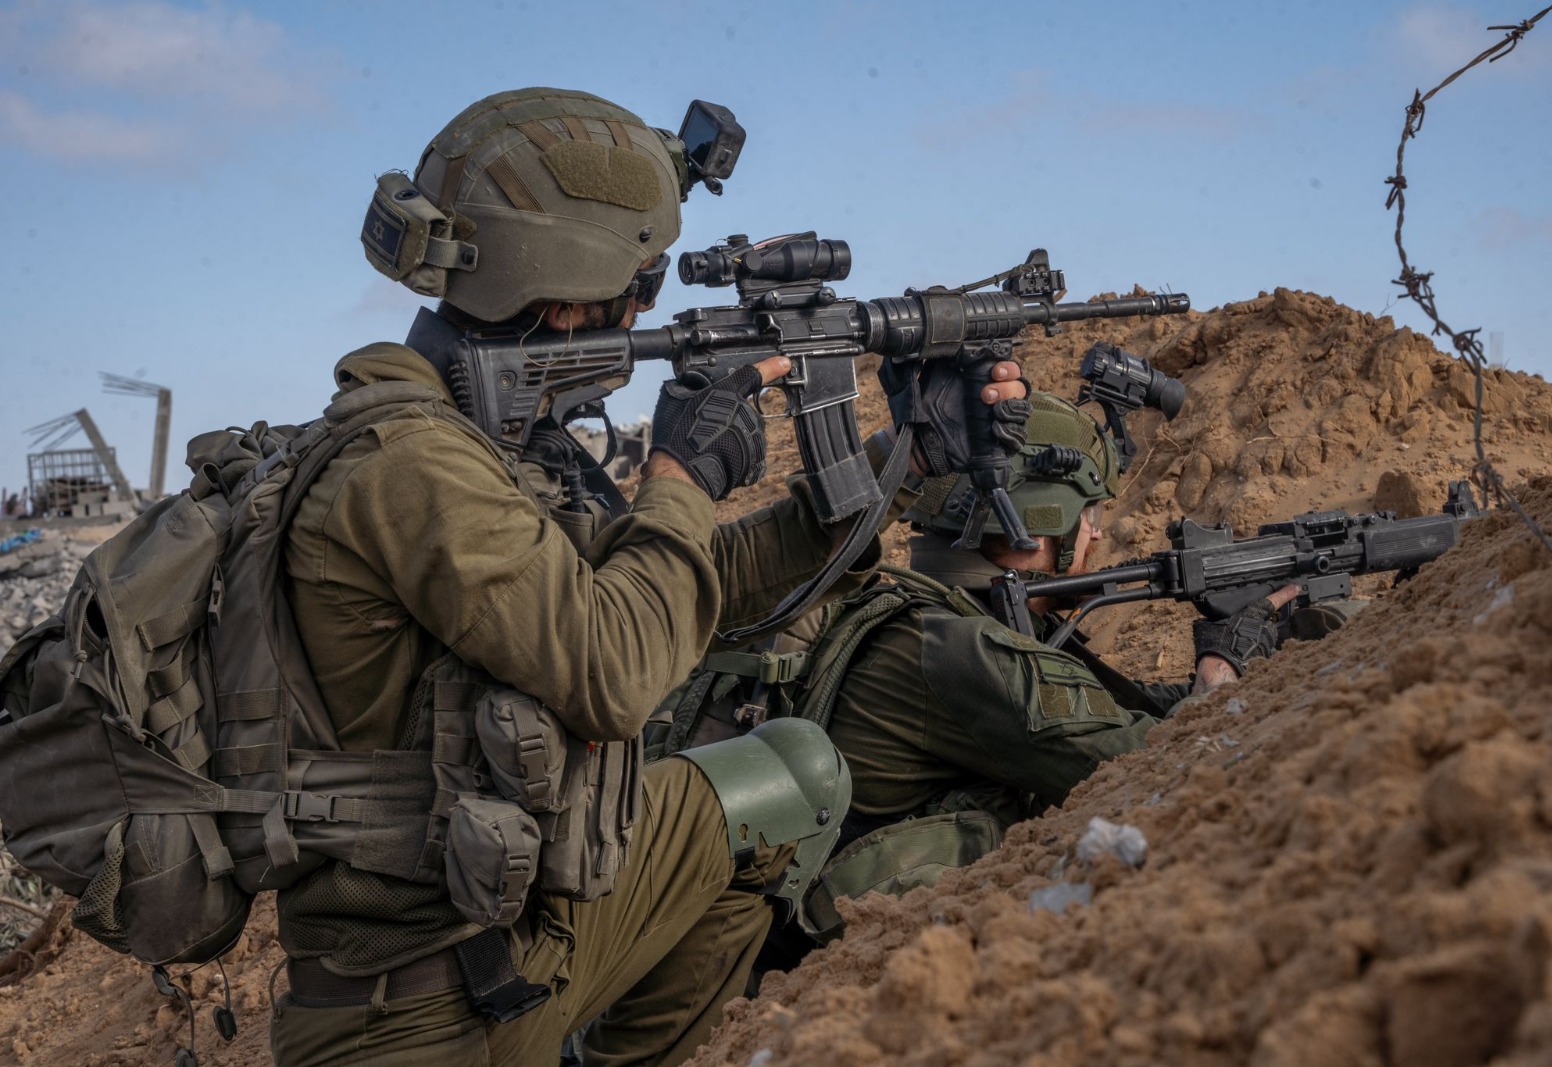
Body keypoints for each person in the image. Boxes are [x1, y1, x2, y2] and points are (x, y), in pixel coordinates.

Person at [269, 87, 1027, 1066]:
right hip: (415, 1015)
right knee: (791, 770)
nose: (643, 309)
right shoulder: (413, 464)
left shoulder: (486, 447)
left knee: (776, 780)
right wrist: (679, 474)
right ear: (560, 280)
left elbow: (666, 593)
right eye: (638, 280)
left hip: (494, 934)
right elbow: (619, 665)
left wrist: (900, 460)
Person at [653, 391, 1306, 948]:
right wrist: (1224, 663)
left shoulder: (894, 601)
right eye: (1088, 517)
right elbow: (1168, 768)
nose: (1097, 538)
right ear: (1036, 527)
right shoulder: (967, 652)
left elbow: (1094, 709)